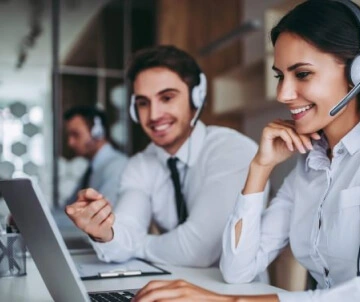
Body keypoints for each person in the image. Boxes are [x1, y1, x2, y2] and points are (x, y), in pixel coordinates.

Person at [132, 1, 360, 301]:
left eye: (302, 74)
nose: (283, 94)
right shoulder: (308, 167)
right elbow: (237, 270)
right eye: (280, 76)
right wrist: (261, 168)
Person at [65, 45, 262, 268]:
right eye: (143, 103)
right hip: (174, 286)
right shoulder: (140, 164)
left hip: (238, 293)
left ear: (196, 98)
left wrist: (136, 245)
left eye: (167, 98)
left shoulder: (233, 150)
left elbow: (198, 250)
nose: (154, 115)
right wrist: (105, 233)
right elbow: (125, 230)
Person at [63, 106, 128, 206]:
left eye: (76, 134)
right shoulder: (92, 168)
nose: (70, 142)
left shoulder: (117, 167)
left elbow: (101, 213)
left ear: (97, 132)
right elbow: (70, 206)